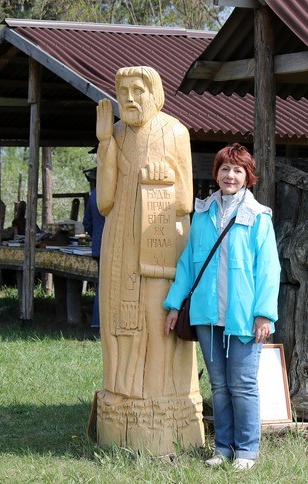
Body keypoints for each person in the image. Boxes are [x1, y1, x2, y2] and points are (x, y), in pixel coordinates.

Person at [94, 66, 204, 453]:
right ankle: (123, 397)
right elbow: (104, 201)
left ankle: (162, 403)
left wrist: (167, 178)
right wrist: (105, 145)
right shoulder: (119, 135)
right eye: (122, 90)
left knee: (158, 319)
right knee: (120, 320)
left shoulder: (175, 131)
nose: (128, 98)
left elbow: (186, 200)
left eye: (137, 90)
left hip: (159, 243)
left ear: (155, 93)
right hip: (120, 241)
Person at [164, 143, 281, 470]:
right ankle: (224, 449)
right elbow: (188, 264)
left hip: (244, 317)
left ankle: (246, 451)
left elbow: (270, 270)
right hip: (206, 313)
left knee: (242, 385)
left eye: (238, 170)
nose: (230, 175)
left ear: (248, 177)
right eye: (225, 169)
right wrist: (174, 304)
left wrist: (264, 314)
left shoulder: (258, 217)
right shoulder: (202, 214)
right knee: (218, 385)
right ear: (216, 173)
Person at [82, 168, 104, 330]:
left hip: (98, 247)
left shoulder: (94, 194)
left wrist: (96, 235)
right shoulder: (117, 193)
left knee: (101, 286)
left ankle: (97, 322)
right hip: (115, 247)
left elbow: (87, 222)